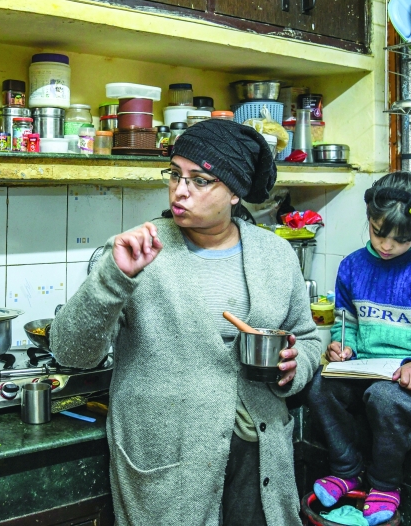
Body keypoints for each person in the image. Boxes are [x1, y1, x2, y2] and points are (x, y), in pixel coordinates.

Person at [50, 119, 322, 526]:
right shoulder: (138, 251)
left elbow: (307, 336)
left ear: (234, 192)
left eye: (200, 180)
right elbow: (71, 353)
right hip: (170, 461)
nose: (180, 190)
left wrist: (295, 367)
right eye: (175, 174)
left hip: (259, 455)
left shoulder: (276, 254)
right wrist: (113, 278)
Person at [306, 171, 411, 526]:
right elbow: (345, 324)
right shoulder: (352, 266)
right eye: (380, 233)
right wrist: (342, 348)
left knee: (385, 397)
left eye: (401, 239)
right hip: (367, 370)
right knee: (318, 383)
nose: (387, 245)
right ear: (370, 220)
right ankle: (346, 470)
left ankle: (384, 485)